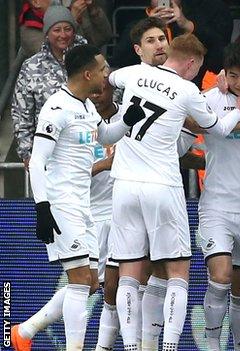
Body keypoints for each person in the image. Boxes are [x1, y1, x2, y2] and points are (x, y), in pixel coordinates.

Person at [107, 33, 240, 351]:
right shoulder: (187, 90)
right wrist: (239, 107)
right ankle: (170, 345)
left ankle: (131, 346)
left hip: (124, 186)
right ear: (191, 63)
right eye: (197, 70)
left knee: (129, 272)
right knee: (177, 272)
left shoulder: (133, 72)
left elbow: (109, 77)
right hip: (162, 186)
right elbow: (220, 129)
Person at [10, 44, 145, 351]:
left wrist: (127, 120)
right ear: (87, 73)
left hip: (83, 206)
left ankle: (24, 332)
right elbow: (38, 161)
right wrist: (42, 207)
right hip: (62, 204)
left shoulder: (85, 107)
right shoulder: (56, 108)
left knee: (90, 283)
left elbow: (106, 135)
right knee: (81, 281)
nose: (105, 75)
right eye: (101, 70)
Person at [198, 42, 240, 351]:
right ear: (224, 73)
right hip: (217, 206)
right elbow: (185, 129)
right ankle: (211, 343)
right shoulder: (210, 99)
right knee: (220, 276)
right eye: (234, 75)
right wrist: (238, 120)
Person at [12, 5, 87, 171]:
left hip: (85, 148)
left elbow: (108, 93)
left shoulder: (89, 57)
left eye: (68, 29)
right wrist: (27, 153)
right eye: (57, 30)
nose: (63, 35)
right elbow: (21, 114)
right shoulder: (31, 66)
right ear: (47, 32)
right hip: (47, 152)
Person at [90, 79, 123, 351]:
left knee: (127, 285)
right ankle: (29, 328)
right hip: (93, 215)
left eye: (102, 90)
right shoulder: (80, 122)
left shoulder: (128, 117)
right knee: (93, 287)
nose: (98, 96)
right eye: (93, 92)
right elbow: (69, 174)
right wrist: (105, 164)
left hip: (126, 212)